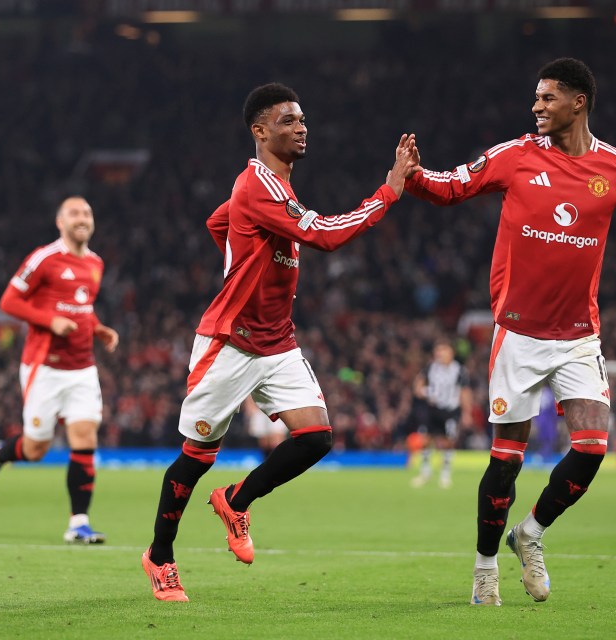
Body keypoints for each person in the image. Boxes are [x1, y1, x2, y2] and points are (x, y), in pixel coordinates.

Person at [404, 58, 616, 606]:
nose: (536, 106)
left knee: (593, 447)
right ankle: (484, 566)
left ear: (579, 101)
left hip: (578, 336)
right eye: (536, 97)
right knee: (505, 463)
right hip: (518, 335)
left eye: (547, 97)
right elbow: (453, 186)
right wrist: (414, 176)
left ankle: (530, 533)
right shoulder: (515, 156)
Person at [141, 82, 420, 602]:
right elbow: (328, 234)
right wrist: (389, 191)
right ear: (260, 130)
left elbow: (217, 222)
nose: (301, 127)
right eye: (289, 120)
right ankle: (159, 557)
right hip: (230, 341)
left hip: (276, 342)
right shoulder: (260, 185)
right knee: (197, 455)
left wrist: (242, 259)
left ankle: (237, 500)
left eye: (303, 119)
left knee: (316, 437)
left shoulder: (274, 189)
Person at [0, 196, 120, 544]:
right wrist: (49, 321)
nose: (81, 218)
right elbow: (9, 301)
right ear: (60, 222)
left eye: (87, 212)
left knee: (84, 438)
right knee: (36, 449)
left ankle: (78, 523)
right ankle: (0, 453)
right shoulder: (44, 258)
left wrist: (98, 328)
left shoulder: (96, 264)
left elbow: (83, 305)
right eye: (74, 213)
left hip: (83, 368)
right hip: (45, 368)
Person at [410, 338, 473, 488]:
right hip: (432, 409)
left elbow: (464, 392)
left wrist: (467, 412)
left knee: (448, 442)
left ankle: (445, 474)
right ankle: (426, 471)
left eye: (443, 350)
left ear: (451, 352)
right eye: (438, 350)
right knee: (425, 440)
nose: (440, 353)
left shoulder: (459, 370)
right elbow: (418, 385)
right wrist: (424, 391)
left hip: (450, 410)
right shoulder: (431, 367)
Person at [243, 395, 286, 459]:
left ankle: (280, 460)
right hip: (258, 407)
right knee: (263, 438)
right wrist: (249, 405)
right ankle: (267, 462)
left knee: (277, 436)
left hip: (276, 405)